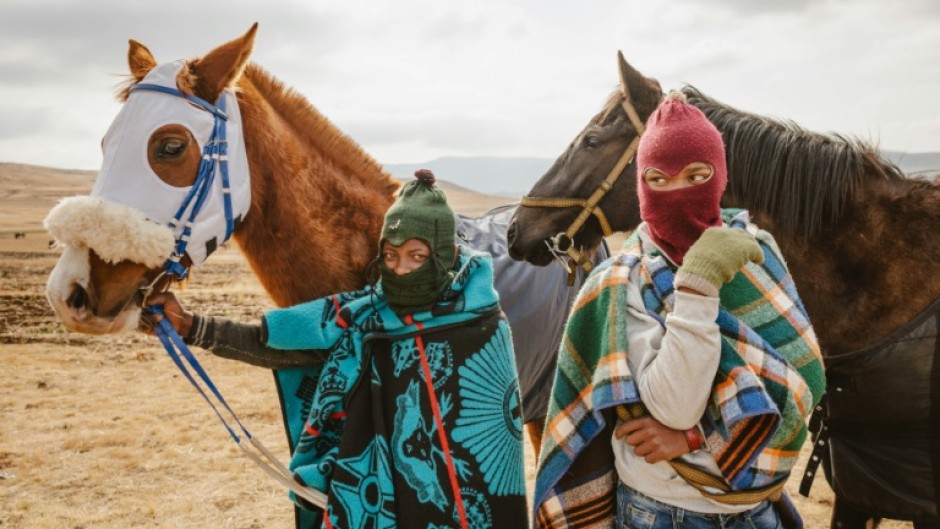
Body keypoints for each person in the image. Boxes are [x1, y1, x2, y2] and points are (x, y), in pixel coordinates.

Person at [145, 170, 528, 529]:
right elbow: (277, 347)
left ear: (443, 255)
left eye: (417, 256)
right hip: (385, 501)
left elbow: (497, 442)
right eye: (391, 255)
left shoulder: (482, 325)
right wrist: (194, 327)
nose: (400, 270)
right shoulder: (362, 316)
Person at [531, 92, 826, 529]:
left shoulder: (754, 251)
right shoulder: (623, 282)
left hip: (757, 508)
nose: (678, 192)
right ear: (641, 186)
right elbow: (674, 408)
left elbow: (805, 379)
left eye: (696, 175)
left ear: (719, 175)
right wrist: (698, 285)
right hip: (665, 513)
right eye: (658, 179)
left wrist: (693, 437)